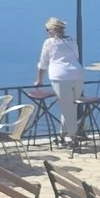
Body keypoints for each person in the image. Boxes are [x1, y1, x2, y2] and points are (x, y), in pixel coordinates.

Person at [33, 17, 84, 145]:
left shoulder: (49, 43)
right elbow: (76, 56)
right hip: (78, 74)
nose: (46, 32)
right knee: (70, 106)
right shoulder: (72, 40)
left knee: (67, 108)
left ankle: (72, 137)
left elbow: (43, 64)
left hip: (60, 77)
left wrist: (39, 80)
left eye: (47, 30)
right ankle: (62, 134)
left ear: (53, 31)